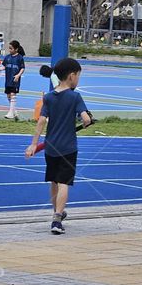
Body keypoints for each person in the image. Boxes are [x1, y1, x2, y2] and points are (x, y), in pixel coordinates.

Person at [25, 57, 92, 235]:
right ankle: (57, 218)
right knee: (64, 183)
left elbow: (41, 121)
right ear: (72, 76)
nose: (78, 79)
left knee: (54, 181)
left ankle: (57, 212)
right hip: (68, 148)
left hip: (51, 147)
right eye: (78, 76)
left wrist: (33, 144)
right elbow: (86, 119)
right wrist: (86, 122)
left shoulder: (48, 97)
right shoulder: (75, 97)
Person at [2, 40, 26, 120]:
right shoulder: (7, 57)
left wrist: (18, 75)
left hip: (15, 80)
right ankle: (14, 111)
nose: (9, 50)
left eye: (11, 48)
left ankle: (11, 113)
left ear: (16, 49)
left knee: (13, 94)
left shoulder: (20, 58)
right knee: (8, 95)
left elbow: (22, 68)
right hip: (8, 80)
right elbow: (3, 67)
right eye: (9, 48)